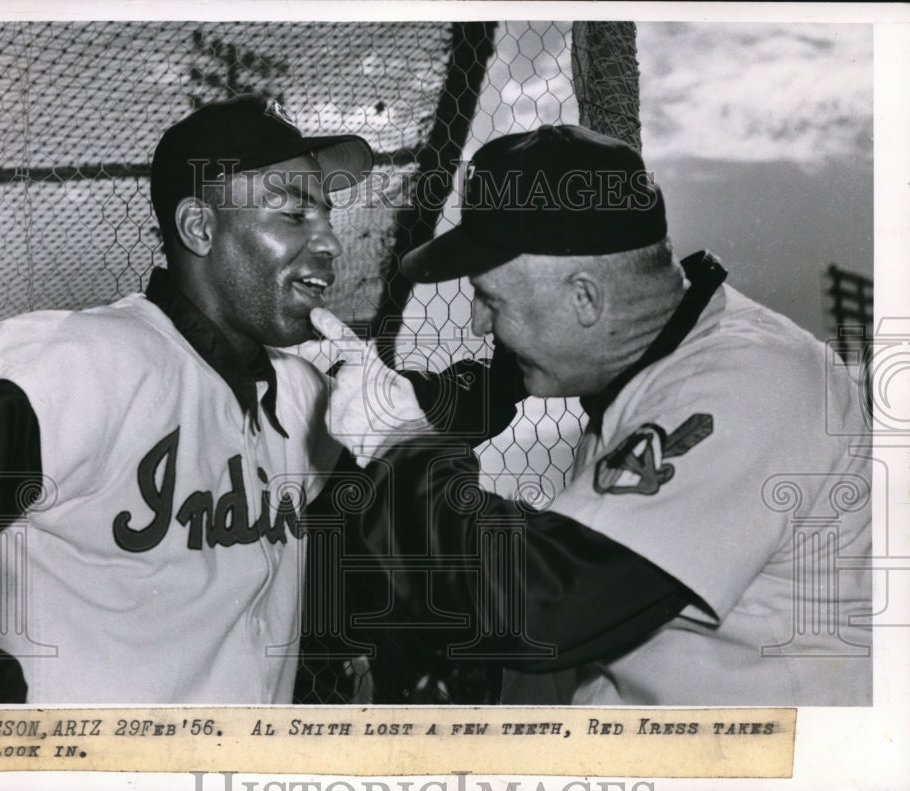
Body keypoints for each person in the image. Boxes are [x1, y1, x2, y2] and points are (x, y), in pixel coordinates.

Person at [310, 124, 873, 705]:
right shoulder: (659, 364)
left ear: (585, 297)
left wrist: (401, 444)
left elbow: (543, 610)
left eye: (491, 298)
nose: (478, 322)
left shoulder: (746, 382)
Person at [0, 94, 379, 703]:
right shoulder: (74, 363)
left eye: (327, 216)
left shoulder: (301, 392)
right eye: (293, 215)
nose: (331, 241)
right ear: (200, 228)